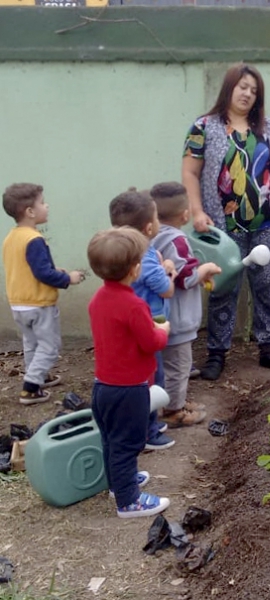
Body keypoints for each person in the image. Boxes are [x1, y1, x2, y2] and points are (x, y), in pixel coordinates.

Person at [181, 62, 270, 381]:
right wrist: (197, 210)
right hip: (222, 226)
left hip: (266, 223)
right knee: (223, 289)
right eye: (242, 86)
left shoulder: (269, 128)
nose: (247, 93)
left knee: (267, 286)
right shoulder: (204, 127)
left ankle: (268, 349)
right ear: (229, 88)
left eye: (254, 90)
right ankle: (217, 353)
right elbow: (190, 172)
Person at [87, 227, 171, 518]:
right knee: (128, 444)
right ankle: (129, 502)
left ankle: (118, 484)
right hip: (129, 389)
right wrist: (163, 331)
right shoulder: (135, 305)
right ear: (135, 269)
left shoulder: (98, 298)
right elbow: (150, 343)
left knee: (111, 440)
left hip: (102, 387)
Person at [2, 183, 85, 405]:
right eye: (42, 202)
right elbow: (41, 273)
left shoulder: (12, 237)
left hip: (19, 303)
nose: (46, 206)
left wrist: (53, 270)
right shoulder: (34, 239)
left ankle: (37, 375)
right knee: (49, 346)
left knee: (31, 344)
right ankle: (30, 388)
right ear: (30, 211)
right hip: (38, 304)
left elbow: (27, 268)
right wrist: (69, 278)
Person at [109, 188, 176, 451]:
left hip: (132, 326)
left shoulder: (123, 252)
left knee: (148, 379)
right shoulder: (145, 257)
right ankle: (148, 432)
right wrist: (168, 271)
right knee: (151, 380)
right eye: (158, 217)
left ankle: (150, 425)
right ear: (149, 227)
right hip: (147, 327)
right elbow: (166, 289)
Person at [151, 182, 221, 427]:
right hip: (178, 318)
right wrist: (207, 269)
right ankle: (174, 411)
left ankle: (171, 401)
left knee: (168, 366)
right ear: (185, 214)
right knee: (179, 366)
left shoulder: (151, 236)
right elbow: (187, 277)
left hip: (161, 314)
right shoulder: (177, 239)